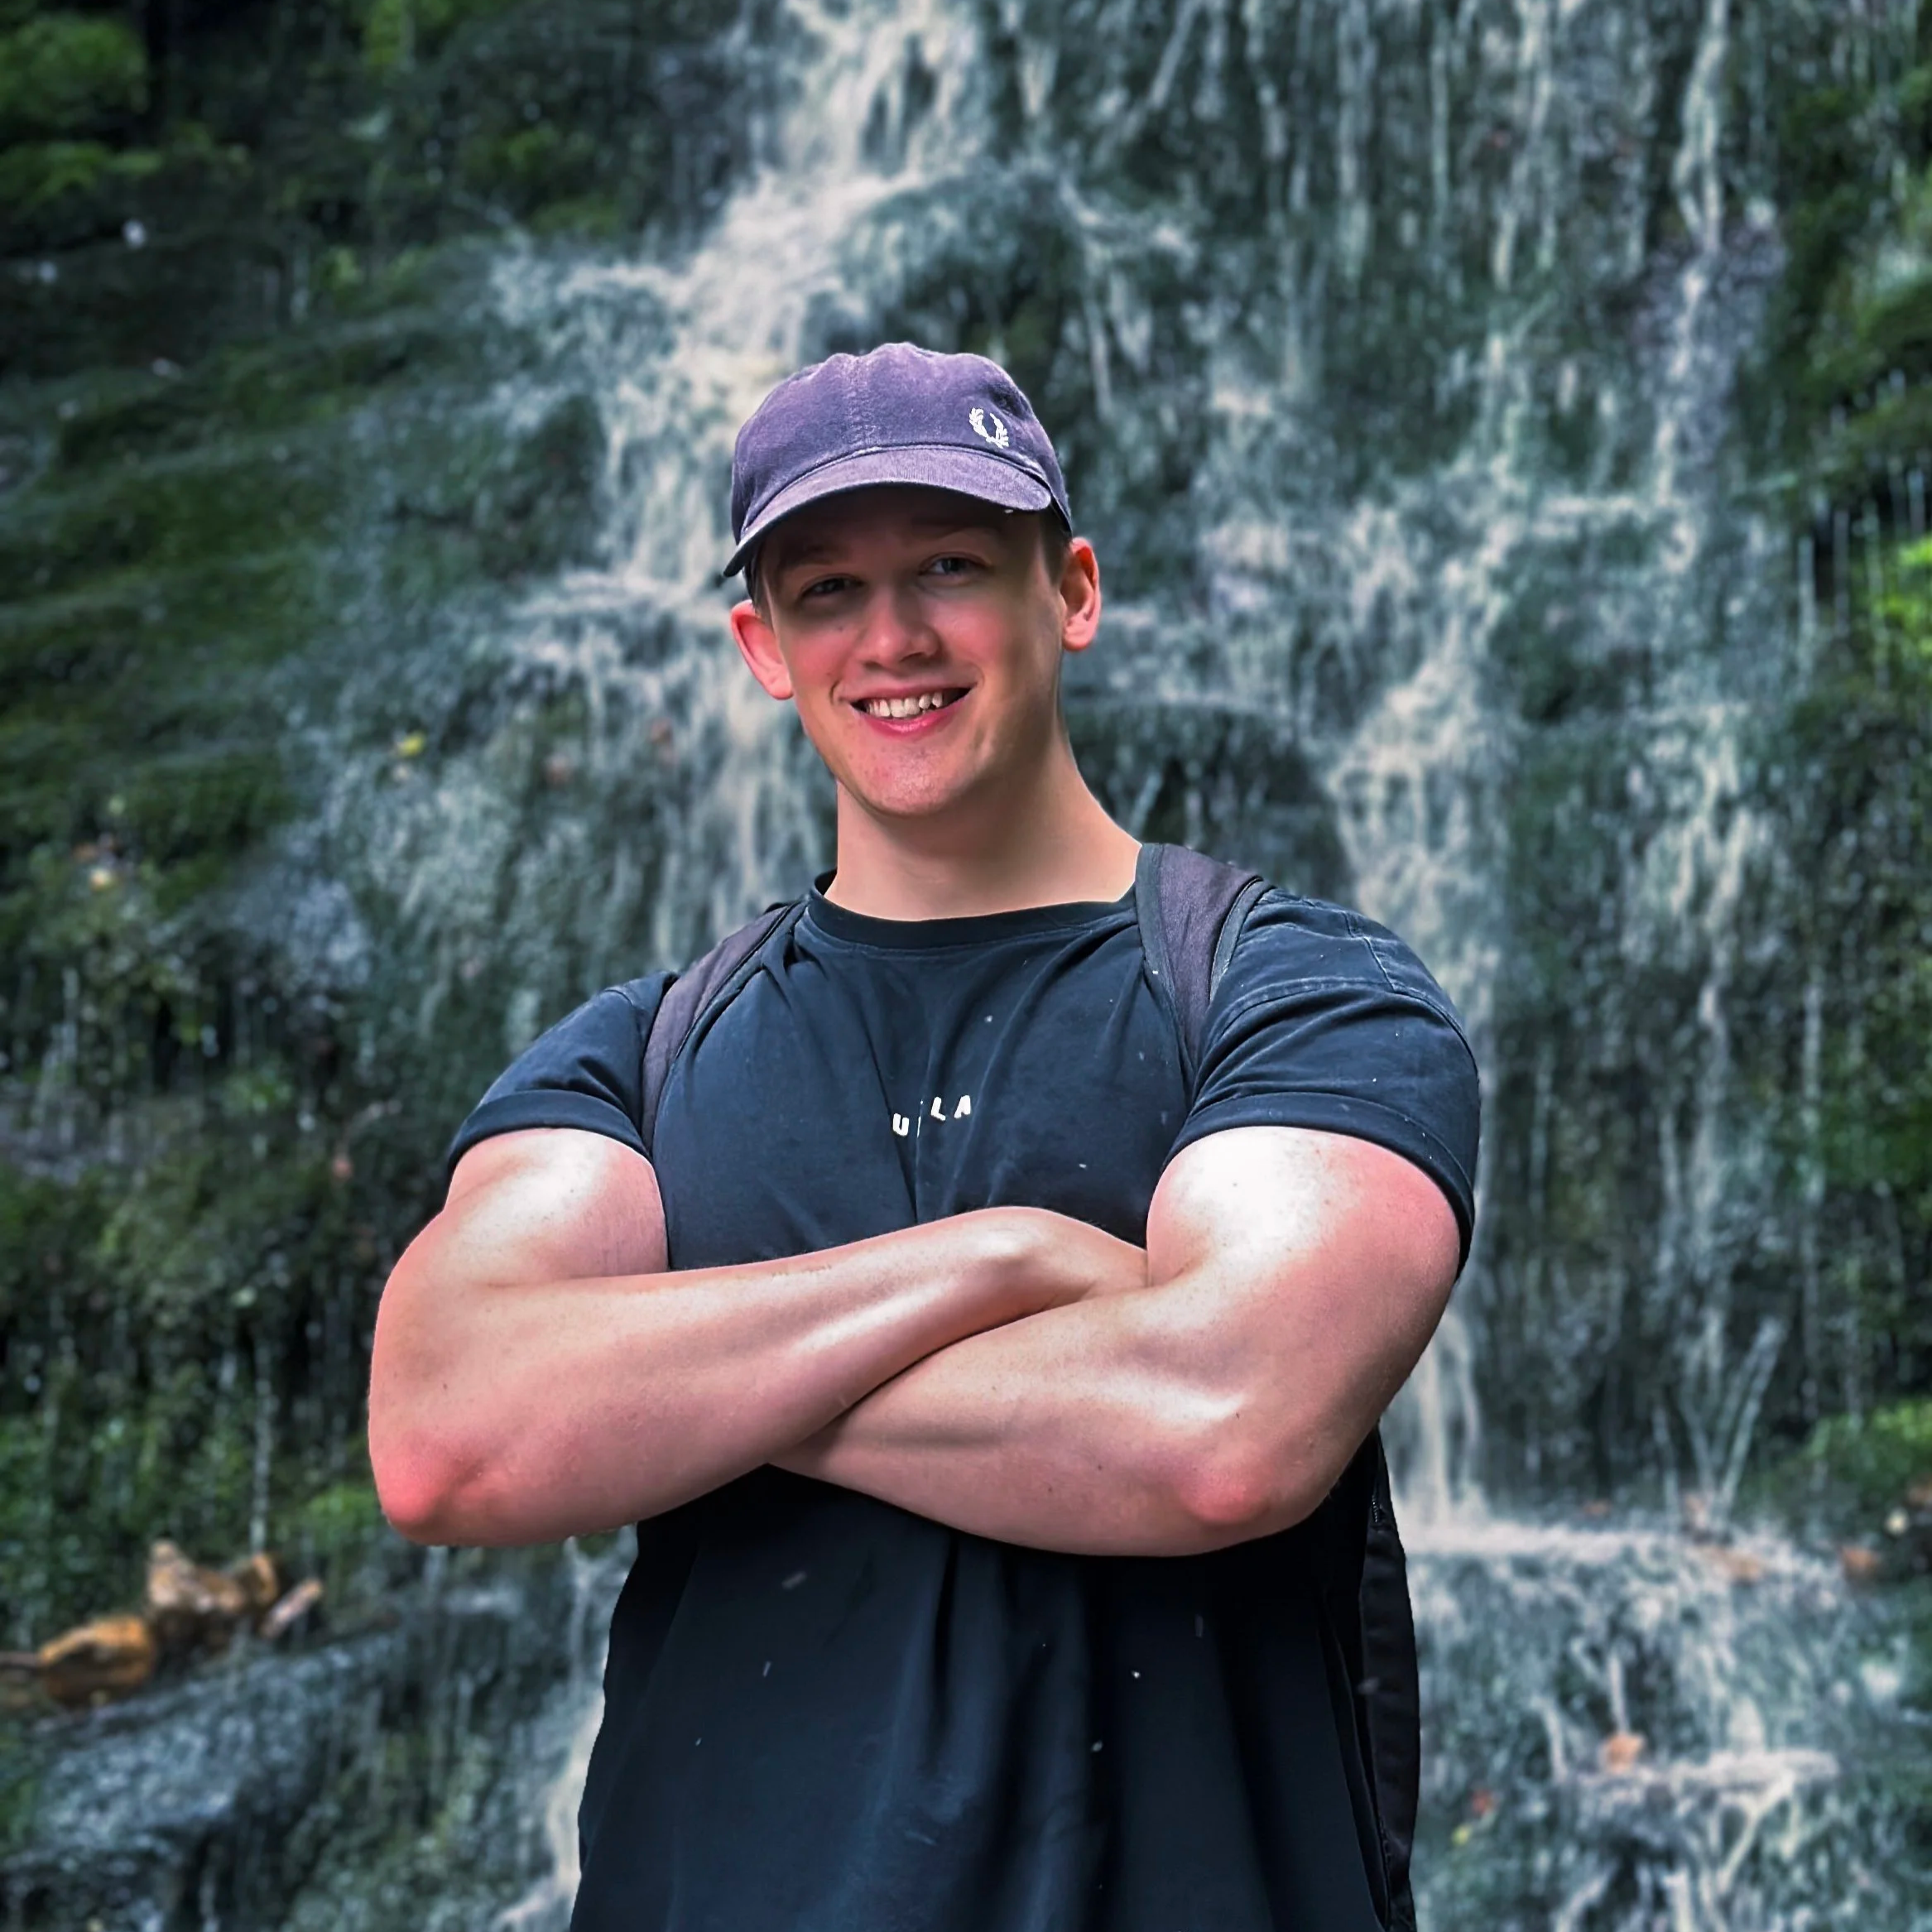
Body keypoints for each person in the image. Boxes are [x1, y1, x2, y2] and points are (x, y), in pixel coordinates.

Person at [368, 342, 1480, 1932]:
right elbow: (446, 1430)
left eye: (950, 565)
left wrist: (659, 1392)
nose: (890, 637)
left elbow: (1227, 1424)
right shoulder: (638, 1056)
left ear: (1071, 589)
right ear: (761, 643)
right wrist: (1005, 1257)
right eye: (825, 589)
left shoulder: (1291, 994)